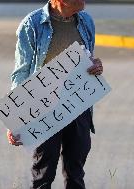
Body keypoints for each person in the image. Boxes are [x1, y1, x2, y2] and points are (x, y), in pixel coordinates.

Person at [7, 0, 103, 188]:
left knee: (76, 174)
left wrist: (96, 66)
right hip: (44, 110)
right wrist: (14, 119)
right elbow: (21, 73)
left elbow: (88, 60)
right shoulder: (32, 24)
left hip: (78, 106)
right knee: (43, 175)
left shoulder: (86, 21)